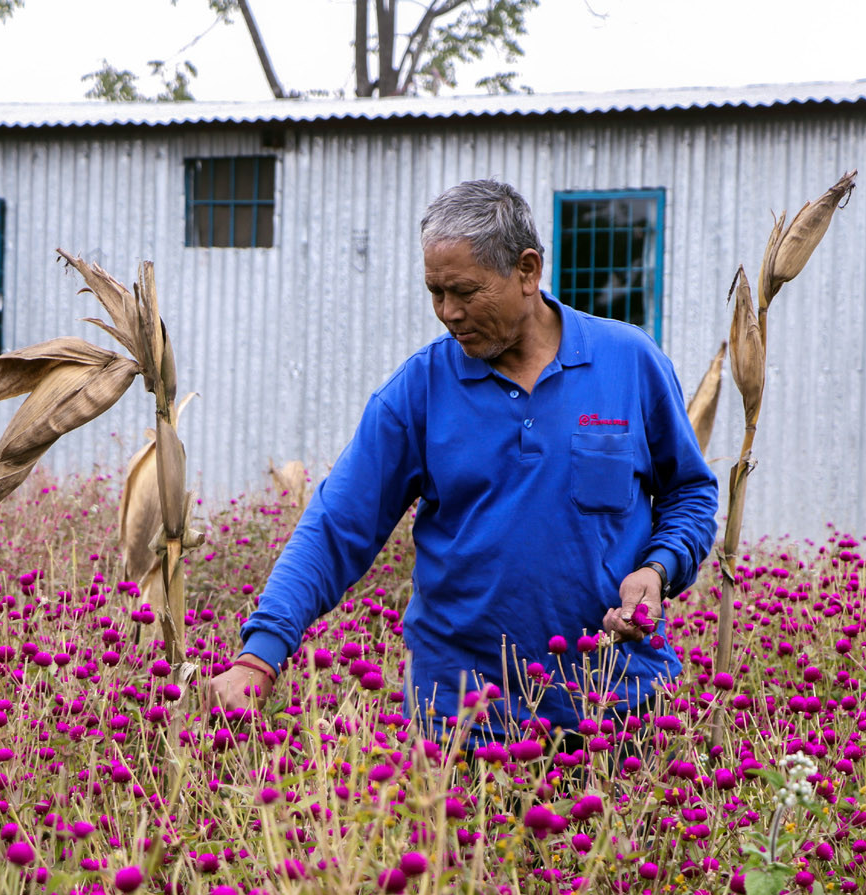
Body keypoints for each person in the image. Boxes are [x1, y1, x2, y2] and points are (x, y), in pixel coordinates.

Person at [203, 179, 719, 747]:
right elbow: (335, 527)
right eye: (435, 292)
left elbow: (689, 495)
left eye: (465, 291)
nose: (448, 312)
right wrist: (261, 655)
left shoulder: (629, 362)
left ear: (527, 271)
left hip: (617, 709)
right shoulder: (420, 391)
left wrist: (658, 569)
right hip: (465, 723)